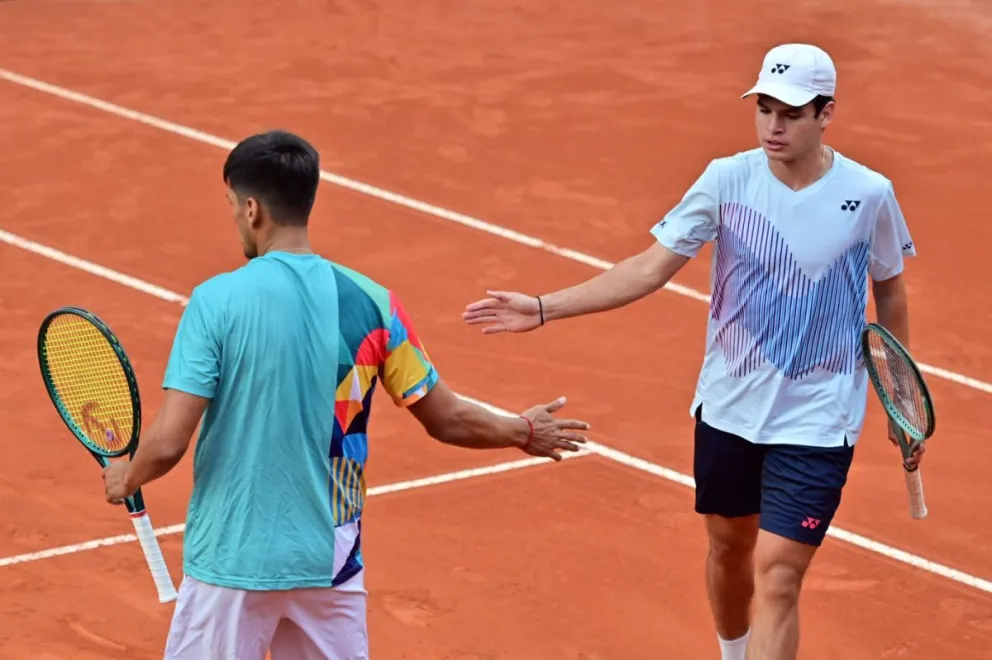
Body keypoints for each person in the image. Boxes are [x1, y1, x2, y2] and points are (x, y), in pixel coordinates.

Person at [461, 43, 925, 660]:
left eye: (790, 112)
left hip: (819, 417)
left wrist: (900, 394)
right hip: (729, 406)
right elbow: (649, 268)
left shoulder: (867, 195)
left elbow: (889, 289)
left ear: (826, 113)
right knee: (729, 550)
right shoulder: (726, 180)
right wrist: (545, 307)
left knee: (780, 576)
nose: (773, 126)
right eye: (763, 109)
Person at [100, 129, 590, 660]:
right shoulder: (375, 303)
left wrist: (128, 476)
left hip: (231, 558)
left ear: (250, 208)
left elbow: (170, 441)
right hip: (329, 561)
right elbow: (446, 418)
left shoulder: (214, 301)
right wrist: (524, 430)